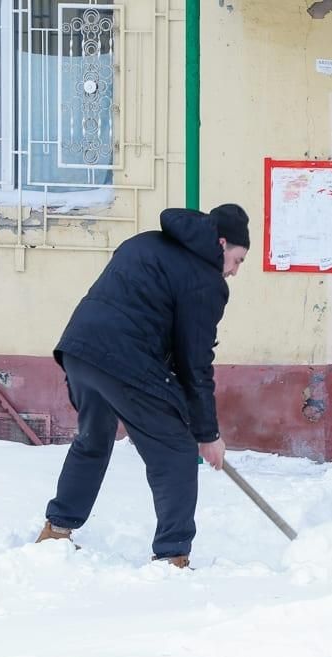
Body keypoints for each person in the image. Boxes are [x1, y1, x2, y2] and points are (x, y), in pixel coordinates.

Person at [34, 204, 250, 567]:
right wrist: (207, 434)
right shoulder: (205, 280)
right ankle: (172, 556)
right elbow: (195, 361)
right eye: (238, 260)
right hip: (124, 359)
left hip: (79, 349)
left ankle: (56, 531)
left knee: (92, 440)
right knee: (176, 451)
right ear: (221, 243)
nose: (235, 271)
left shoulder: (146, 242)